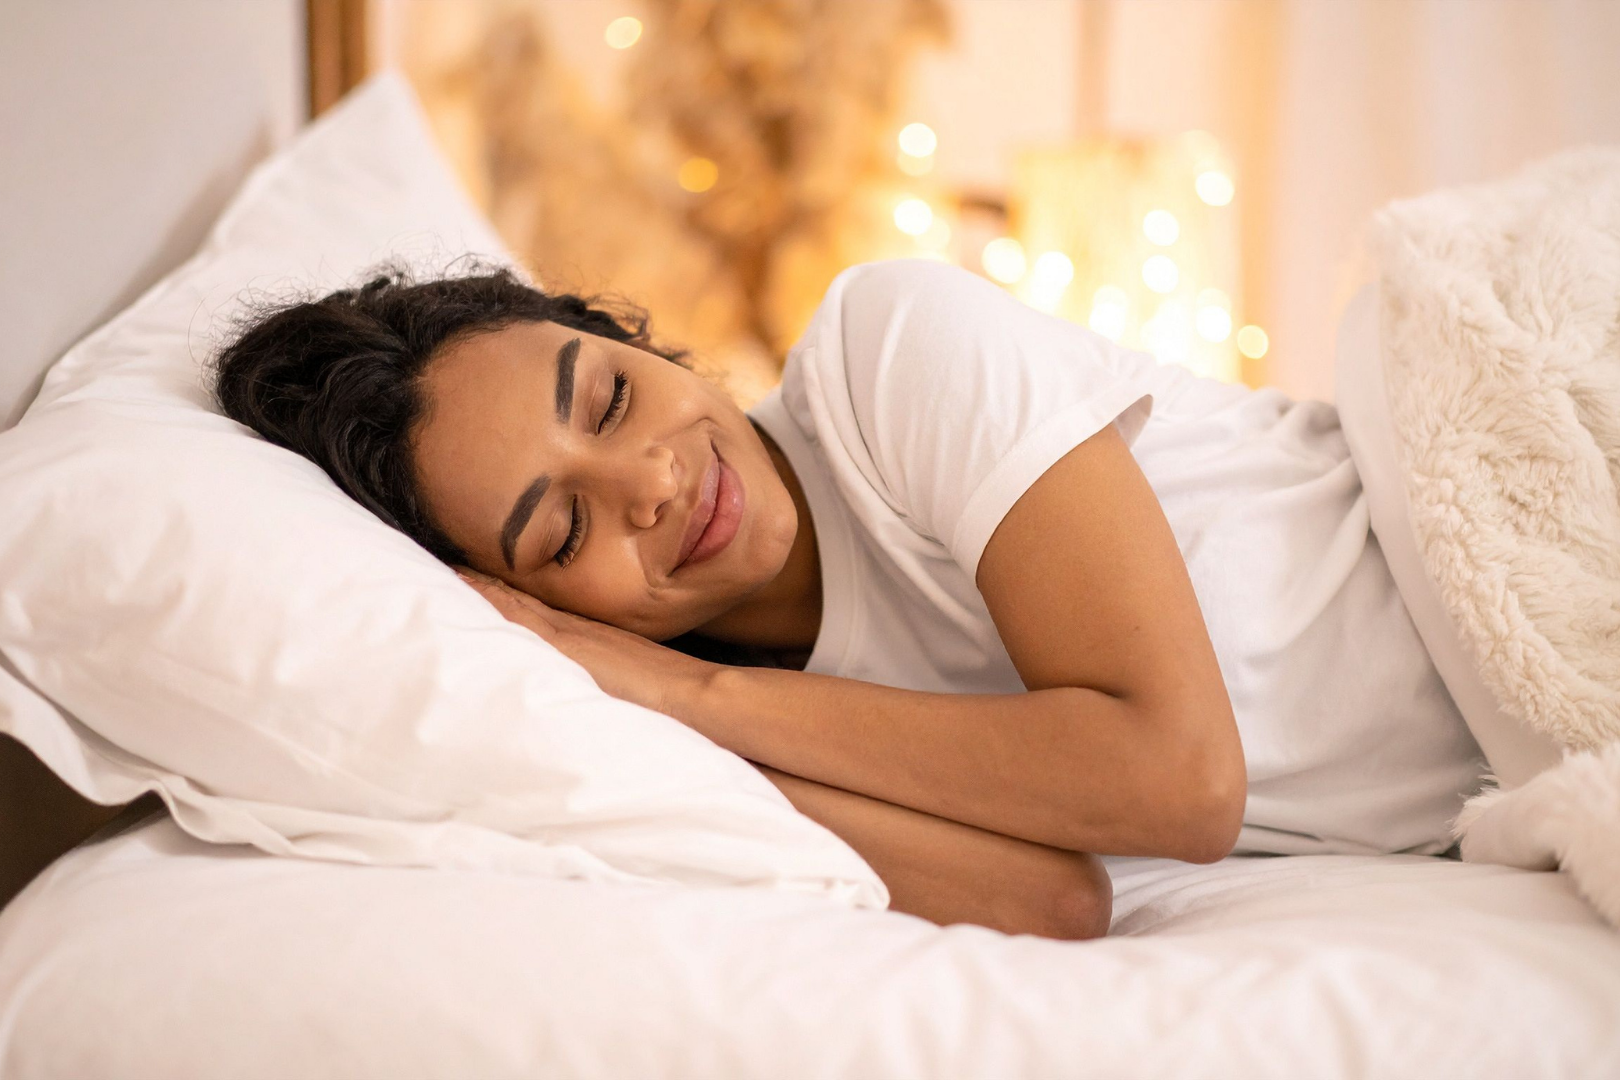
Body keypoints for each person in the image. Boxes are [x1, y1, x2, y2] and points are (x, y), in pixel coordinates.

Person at [213, 259, 1485, 940]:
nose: (652, 481)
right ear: (544, 609)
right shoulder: (719, 725)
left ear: (633, 339)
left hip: (1491, 541)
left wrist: (690, 689)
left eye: (608, 396)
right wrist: (678, 714)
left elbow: (1182, 785)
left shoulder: (891, 349)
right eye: (565, 530)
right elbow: (1048, 901)